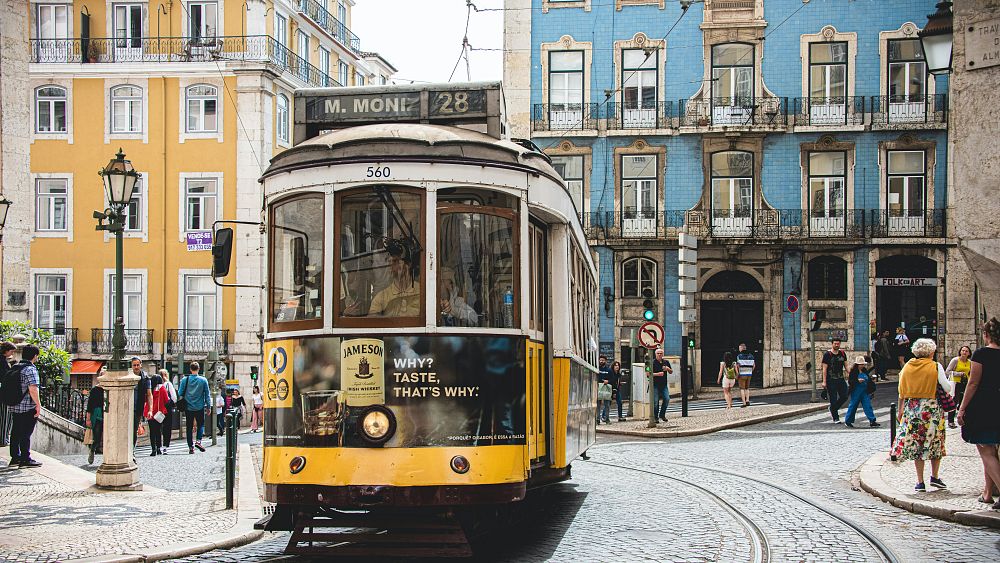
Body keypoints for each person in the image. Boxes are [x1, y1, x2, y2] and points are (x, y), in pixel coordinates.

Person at [891, 338, 953, 493]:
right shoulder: (935, 366)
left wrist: (900, 411)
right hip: (931, 410)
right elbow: (947, 388)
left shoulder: (907, 366)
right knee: (935, 442)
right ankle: (935, 477)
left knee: (917, 444)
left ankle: (920, 482)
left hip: (913, 409)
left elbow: (901, 391)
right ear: (931, 352)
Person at [957, 318, 1000, 510]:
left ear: (986, 335)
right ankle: (987, 494)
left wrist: (962, 408)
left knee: (986, 451)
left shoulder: (981, 354)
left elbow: (973, 383)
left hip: (984, 406)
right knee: (992, 452)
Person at [8, 345, 42, 468]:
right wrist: (38, 405)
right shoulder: (30, 369)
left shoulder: (16, 367)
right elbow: (33, 388)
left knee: (15, 431)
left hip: (15, 405)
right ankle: (25, 459)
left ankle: (15, 458)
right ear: (35, 356)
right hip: (27, 406)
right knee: (26, 433)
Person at [178, 361, 211, 454]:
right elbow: (207, 395)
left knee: (189, 427)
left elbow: (180, 393)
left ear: (190, 369)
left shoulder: (185, 380)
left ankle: (190, 447)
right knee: (201, 425)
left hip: (188, 407)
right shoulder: (203, 380)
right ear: (198, 369)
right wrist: (208, 406)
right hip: (200, 407)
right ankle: (198, 441)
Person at [844, 356, 880, 428]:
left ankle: (872, 420)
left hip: (864, 391)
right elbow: (850, 381)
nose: (862, 366)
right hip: (856, 391)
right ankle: (848, 421)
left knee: (867, 405)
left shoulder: (864, 370)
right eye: (861, 364)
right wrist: (857, 381)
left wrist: (871, 384)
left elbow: (868, 380)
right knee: (853, 406)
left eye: (863, 364)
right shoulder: (853, 372)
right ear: (857, 364)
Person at [822, 339, 850, 423]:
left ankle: (833, 408)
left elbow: (846, 366)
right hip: (831, 380)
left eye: (838, 344)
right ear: (832, 344)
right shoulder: (827, 355)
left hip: (840, 378)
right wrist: (824, 381)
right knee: (833, 399)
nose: (837, 345)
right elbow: (824, 369)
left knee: (845, 396)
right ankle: (835, 417)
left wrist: (852, 374)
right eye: (835, 344)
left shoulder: (842, 353)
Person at [945, 345, 972, 429]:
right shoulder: (955, 360)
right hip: (956, 383)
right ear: (960, 351)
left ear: (969, 353)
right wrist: (959, 374)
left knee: (964, 401)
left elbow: (970, 373)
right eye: (963, 350)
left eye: (966, 351)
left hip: (965, 383)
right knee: (954, 401)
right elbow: (947, 371)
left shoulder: (970, 362)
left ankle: (963, 419)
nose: (964, 352)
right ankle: (950, 421)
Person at [130, 357, 153, 448]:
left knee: (134, 429)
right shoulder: (128, 376)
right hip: (127, 407)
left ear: (141, 365)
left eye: (137, 365)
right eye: (134, 365)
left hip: (138, 408)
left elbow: (149, 394)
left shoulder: (145, 378)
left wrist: (150, 410)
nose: (136, 367)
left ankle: (132, 450)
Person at [145, 375, 169, 457]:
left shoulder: (149, 389)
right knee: (158, 431)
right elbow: (166, 400)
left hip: (150, 412)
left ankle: (153, 449)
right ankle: (159, 448)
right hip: (159, 413)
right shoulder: (162, 388)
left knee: (152, 431)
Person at [0, 342, 16, 447]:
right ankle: (3, 439)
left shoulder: (4, 360)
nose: (12, 353)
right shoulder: (2, 361)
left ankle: (4, 438)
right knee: (5, 418)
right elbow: (5, 376)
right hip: (4, 394)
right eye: (11, 351)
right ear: (6, 351)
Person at [85, 382, 105, 465]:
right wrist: (88, 419)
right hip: (97, 415)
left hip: (108, 415)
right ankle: (92, 450)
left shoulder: (110, 388)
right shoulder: (95, 390)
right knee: (97, 437)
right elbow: (89, 405)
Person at [158, 368, 177, 452]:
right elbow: (174, 397)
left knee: (158, 426)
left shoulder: (156, 385)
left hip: (158, 408)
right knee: (167, 426)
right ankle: (166, 444)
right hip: (167, 408)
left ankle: (158, 444)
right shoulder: (168, 384)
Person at [652, 348, 672, 422]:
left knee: (667, 399)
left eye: (661, 353)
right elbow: (648, 374)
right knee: (655, 402)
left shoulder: (666, 362)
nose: (659, 355)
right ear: (655, 354)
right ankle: (655, 417)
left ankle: (662, 414)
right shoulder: (652, 362)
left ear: (663, 354)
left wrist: (668, 369)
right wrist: (658, 374)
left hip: (664, 384)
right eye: (658, 353)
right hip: (655, 384)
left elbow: (671, 372)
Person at [736, 343, 755, 407]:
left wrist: (738, 373)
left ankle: (744, 403)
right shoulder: (751, 356)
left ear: (741, 348)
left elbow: (738, 365)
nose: (739, 349)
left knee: (742, 389)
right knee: (747, 388)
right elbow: (754, 365)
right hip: (749, 374)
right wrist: (750, 371)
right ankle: (747, 400)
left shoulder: (739, 356)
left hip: (742, 374)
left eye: (739, 348)